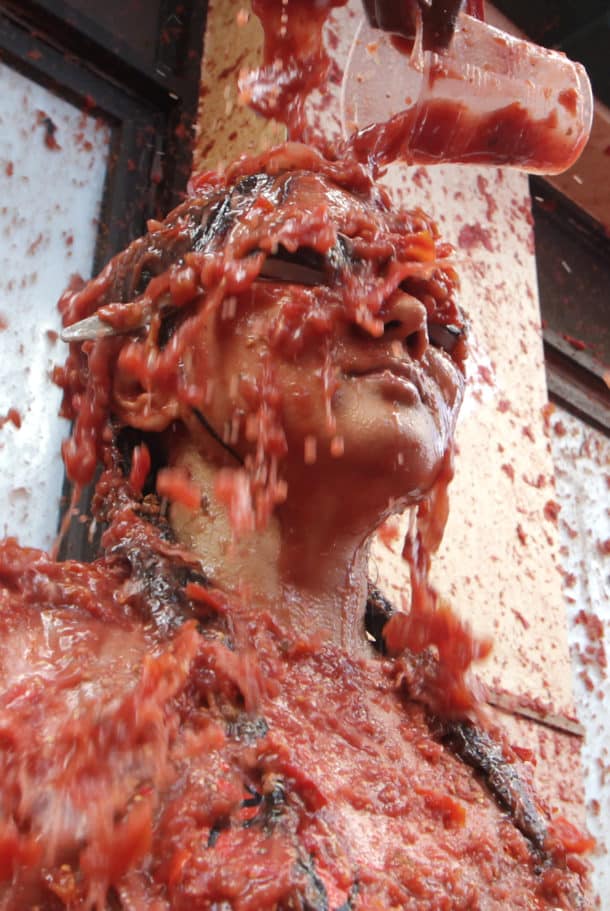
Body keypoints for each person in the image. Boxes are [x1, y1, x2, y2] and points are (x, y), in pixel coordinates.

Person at [0, 144, 591, 909]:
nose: (408, 316)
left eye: (438, 320)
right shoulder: (32, 674)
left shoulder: (487, 767)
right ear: (146, 378)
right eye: (313, 262)